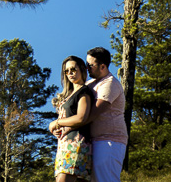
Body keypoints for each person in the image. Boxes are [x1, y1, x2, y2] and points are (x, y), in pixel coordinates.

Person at [48, 55, 94, 182]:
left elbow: (81, 118)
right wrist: (57, 129)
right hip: (64, 145)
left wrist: (56, 123)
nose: (70, 73)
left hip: (76, 143)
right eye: (66, 71)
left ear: (82, 69)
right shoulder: (68, 95)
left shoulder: (84, 92)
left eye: (73, 69)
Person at [84, 47, 127, 182]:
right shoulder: (91, 83)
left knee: (106, 179)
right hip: (96, 140)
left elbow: (93, 113)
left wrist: (68, 125)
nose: (87, 68)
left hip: (110, 141)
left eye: (90, 65)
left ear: (102, 66)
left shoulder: (110, 84)